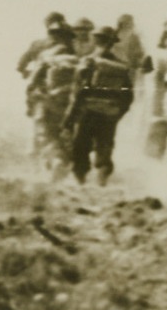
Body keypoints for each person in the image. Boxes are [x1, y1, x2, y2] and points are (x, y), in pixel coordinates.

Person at [65, 26, 134, 185]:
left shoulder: (87, 61)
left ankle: (80, 181)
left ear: (95, 40)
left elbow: (77, 92)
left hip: (87, 112)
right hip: (109, 113)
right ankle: (102, 178)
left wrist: (69, 119)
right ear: (112, 43)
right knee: (104, 147)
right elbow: (128, 96)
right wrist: (117, 114)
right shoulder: (121, 66)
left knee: (81, 147)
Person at [27, 22, 80, 177]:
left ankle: (56, 162)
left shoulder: (47, 56)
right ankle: (62, 163)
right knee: (67, 135)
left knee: (48, 134)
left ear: (54, 37)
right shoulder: (77, 58)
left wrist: (31, 102)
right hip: (72, 103)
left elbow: (31, 83)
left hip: (50, 102)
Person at [17, 12, 67, 78]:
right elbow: (20, 65)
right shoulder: (67, 44)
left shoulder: (36, 44)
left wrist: (28, 73)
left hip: (40, 81)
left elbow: (20, 66)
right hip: (53, 82)